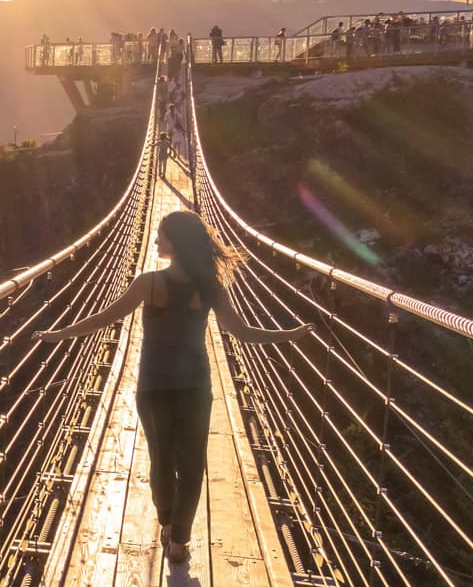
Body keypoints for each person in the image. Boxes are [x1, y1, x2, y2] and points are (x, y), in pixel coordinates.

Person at [35, 212, 310, 564]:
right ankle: (179, 540)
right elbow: (242, 332)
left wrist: (59, 333)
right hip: (195, 387)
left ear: (175, 243)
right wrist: (286, 335)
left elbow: (105, 317)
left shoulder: (149, 283)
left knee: (161, 461)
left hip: (154, 387)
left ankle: (167, 525)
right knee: (193, 465)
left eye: (160, 237)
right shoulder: (210, 286)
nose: (154, 243)